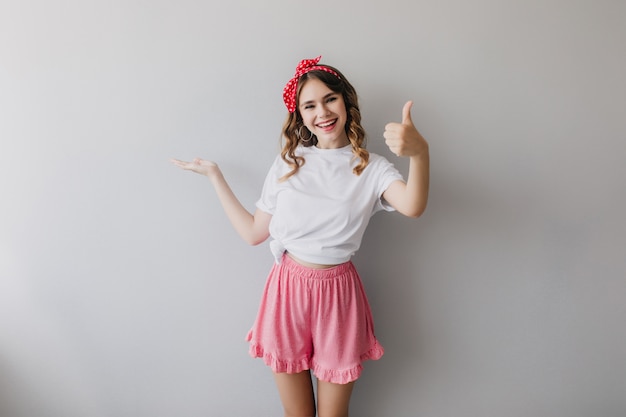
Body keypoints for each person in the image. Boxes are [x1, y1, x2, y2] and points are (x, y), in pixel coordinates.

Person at [171, 55, 429, 417]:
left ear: (346, 102)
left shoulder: (371, 167)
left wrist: (420, 153)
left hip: (338, 296)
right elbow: (253, 233)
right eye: (309, 105)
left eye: (329, 99)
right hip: (287, 291)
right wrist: (216, 176)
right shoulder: (290, 161)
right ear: (300, 115)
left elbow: (413, 205)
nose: (321, 112)